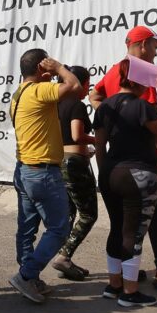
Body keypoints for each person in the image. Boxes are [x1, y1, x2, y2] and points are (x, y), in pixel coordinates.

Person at [89, 26, 157, 290]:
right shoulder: (143, 74)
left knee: (120, 226)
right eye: (155, 46)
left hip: (113, 167)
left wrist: (110, 113)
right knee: (152, 220)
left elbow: (94, 96)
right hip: (142, 166)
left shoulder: (115, 70)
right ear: (144, 44)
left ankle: (120, 280)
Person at [94, 59, 157, 307]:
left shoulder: (104, 106)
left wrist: (104, 171)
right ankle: (130, 292)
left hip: (110, 173)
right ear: (140, 82)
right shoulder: (142, 106)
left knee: (117, 228)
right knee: (133, 233)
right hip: (139, 175)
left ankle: (114, 284)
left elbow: (99, 145)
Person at [8, 49, 82, 304]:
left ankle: (29, 276)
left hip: (25, 169)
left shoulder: (18, 94)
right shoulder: (38, 91)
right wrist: (59, 67)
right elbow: (74, 85)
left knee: (27, 228)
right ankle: (27, 276)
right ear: (42, 68)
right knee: (60, 228)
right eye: (47, 68)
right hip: (42, 172)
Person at [50, 65, 97, 281]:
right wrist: (100, 140)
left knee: (69, 213)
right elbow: (78, 135)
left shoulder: (54, 104)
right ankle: (64, 256)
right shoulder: (76, 104)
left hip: (60, 162)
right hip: (75, 164)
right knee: (88, 214)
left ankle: (64, 257)